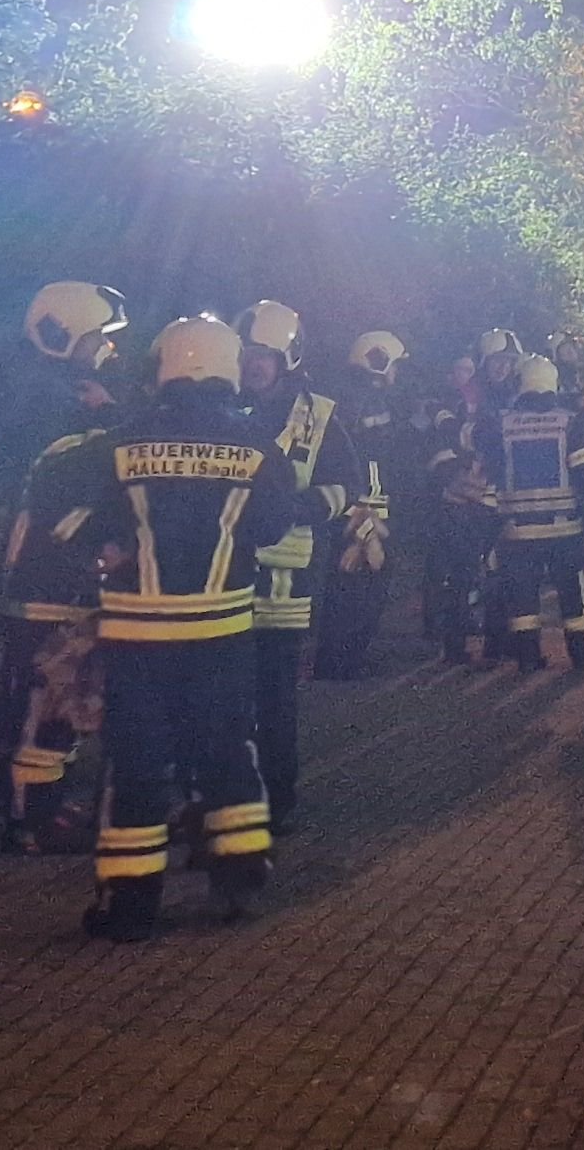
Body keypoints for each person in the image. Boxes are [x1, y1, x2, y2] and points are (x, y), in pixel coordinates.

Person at [80, 316, 305, 944]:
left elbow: (88, 528)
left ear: (161, 369)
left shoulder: (117, 445)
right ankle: (238, 878)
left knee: (136, 763)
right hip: (221, 633)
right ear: (228, 369)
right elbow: (270, 531)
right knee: (230, 750)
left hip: (137, 636)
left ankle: (128, 905)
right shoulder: (259, 447)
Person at [0, 281, 125, 850]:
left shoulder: (53, 394)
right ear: (66, 334)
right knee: (37, 698)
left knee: (51, 698)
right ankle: (25, 818)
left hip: (56, 575)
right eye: (97, 337)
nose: (105, 349)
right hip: (46, 575)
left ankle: (37, 805)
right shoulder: (47, 404)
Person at [238, 301, 350, 824]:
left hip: (286, 582)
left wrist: (302, 509)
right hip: (224, 580)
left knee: (276, 699)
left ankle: (277, 800)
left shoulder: (320, 415)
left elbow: (344, 485)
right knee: (227, 699)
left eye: (265, 355)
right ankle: (230, 801)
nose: (253, 364)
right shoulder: (224, 409)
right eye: (248, 354)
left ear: (289, 358)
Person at [317, 329, 421, 678]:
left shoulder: (348, 400)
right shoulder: (365, 405)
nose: (397, 376)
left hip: (355, 513)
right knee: (359, 589)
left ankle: (342, 659)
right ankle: (342, 662)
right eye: (395, 367)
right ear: (380, 361)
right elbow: (366, 464)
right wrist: (364, 528)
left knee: (350, 589)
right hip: (362, 516)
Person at [486, 357, 584, 671]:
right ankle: (582, 654)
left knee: (522, 597)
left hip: (517, 531)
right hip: (564, 529)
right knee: (572, 594)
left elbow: (492, 472)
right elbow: (583, 473)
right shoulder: (569, 422)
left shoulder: (502, 423)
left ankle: (527, 657)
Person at [415, 450, 500, 665]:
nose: (479, 483)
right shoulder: (447, 514)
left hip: (462, 567)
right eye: (470, 476)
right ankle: (450, 647)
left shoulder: (465, 510)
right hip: (454, 569)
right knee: (452, 599)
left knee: (459, 598)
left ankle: (454, 643)